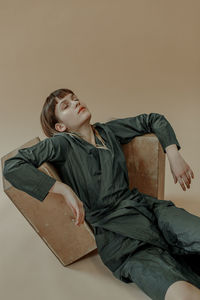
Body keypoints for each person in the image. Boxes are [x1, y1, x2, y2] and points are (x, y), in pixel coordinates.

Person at [3, 88, 200, 300]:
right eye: (66, 105)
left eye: (75, 98)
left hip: (148, 209)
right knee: (181, 293)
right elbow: (12, 166)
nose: (76, 102)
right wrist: (62, 189)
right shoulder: (61, 143)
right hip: (117, 236)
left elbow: (153, 119)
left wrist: (173, 153)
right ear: (61, 126)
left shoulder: (108, 131)